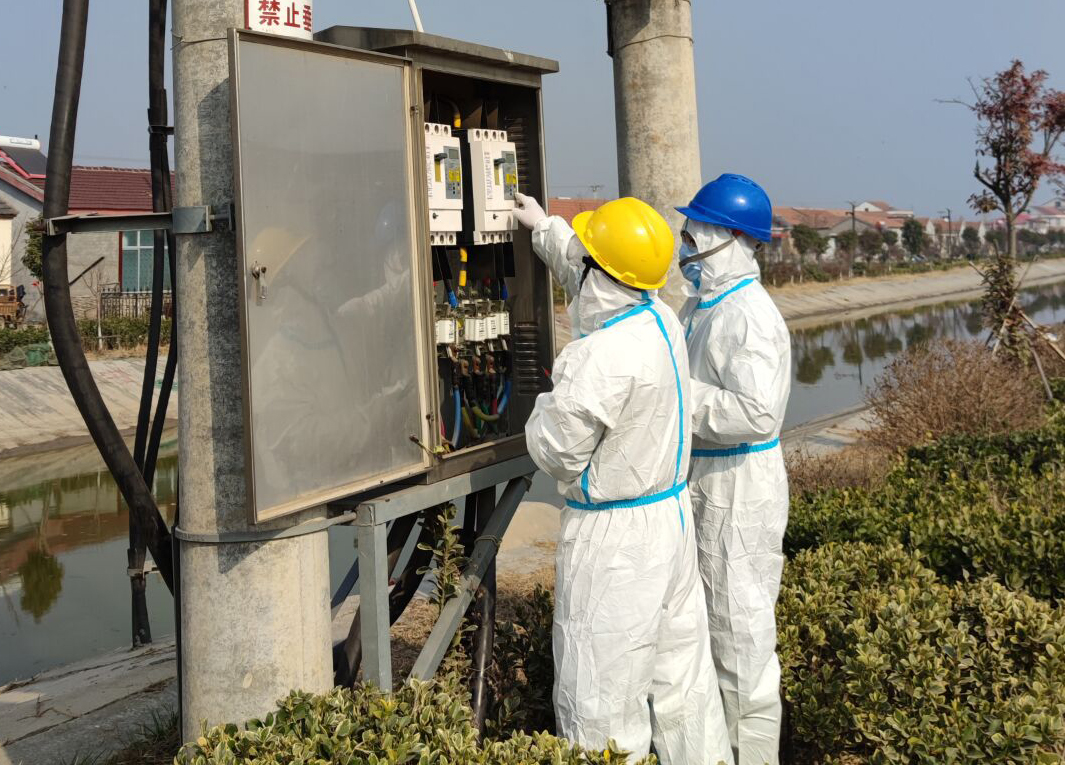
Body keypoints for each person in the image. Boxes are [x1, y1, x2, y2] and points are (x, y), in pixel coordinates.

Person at [514, 192, 733, 765]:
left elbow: (558, 454)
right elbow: (591, 268)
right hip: (669, 522)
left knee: (601, 705)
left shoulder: (598, 356)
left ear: (599, 271)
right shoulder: (660, 319)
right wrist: (545, 228)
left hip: (614, 546)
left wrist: (542, 407)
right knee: (684, 689)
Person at [675, 174, 792, 765]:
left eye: (696, 237)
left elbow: (757, 412)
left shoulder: (750, 316)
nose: (686, 248)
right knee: (708, 634)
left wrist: (678, 397)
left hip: (739, 485)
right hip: (710, 477)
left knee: (740, 642)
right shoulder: (703, 306)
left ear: (734, 241)